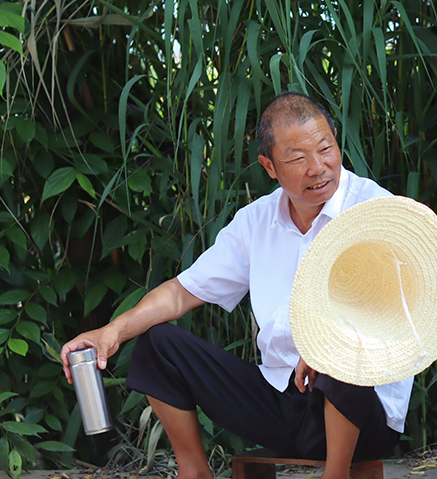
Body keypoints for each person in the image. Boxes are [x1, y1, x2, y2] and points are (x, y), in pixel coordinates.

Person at [60, 92, 413, 479]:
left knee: (340, 349)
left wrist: (327, 342)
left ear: (335, 140)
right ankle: (194, 471)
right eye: (297, 159)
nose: (318, 168)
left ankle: (336, 474)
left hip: (363, 415)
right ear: (269, 166)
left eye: (325, 149)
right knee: (158, 344)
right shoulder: (256, 221)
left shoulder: (375, 210)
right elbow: (182, 292)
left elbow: (401, 310)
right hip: (281, 401)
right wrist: (112, 331)